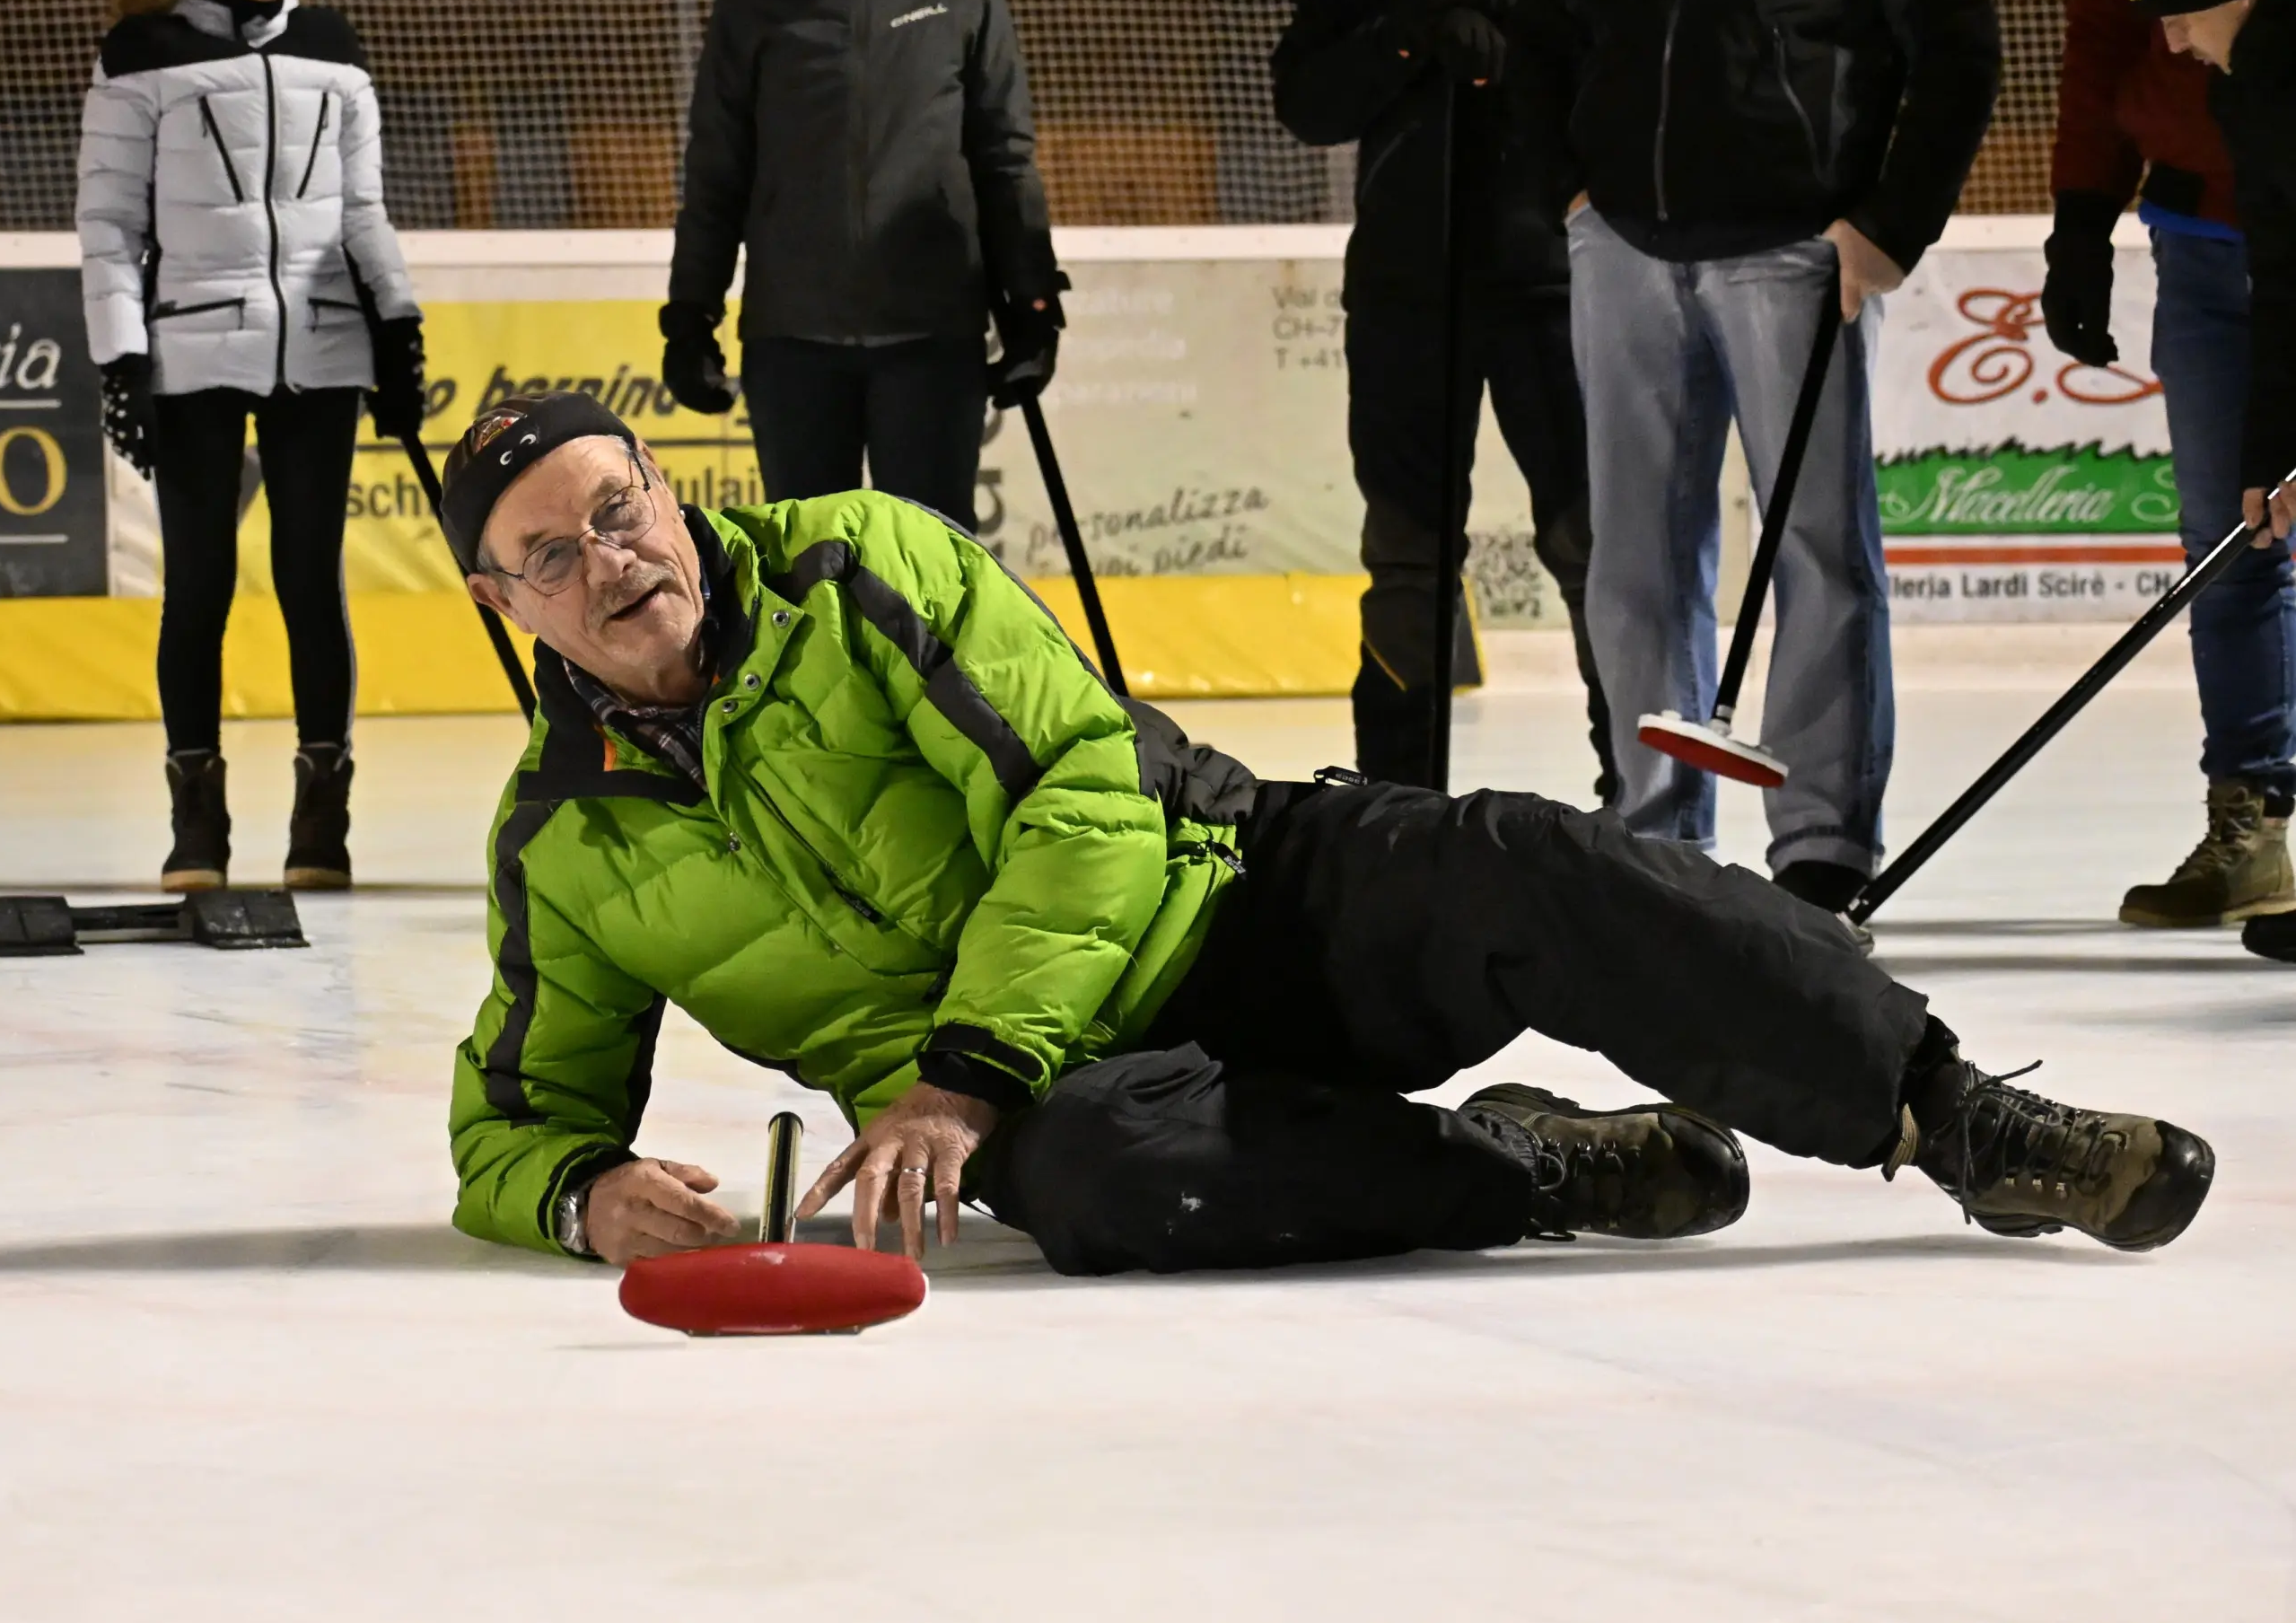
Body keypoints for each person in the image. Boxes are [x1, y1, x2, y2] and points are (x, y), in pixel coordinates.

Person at [433, 391, 2214, 1274]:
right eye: (554, 553)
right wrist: (583, 1199)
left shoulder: (858, 563)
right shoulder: (560, 847)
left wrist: (960, 1066)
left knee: (1517, 858)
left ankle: (1962, 1116)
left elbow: (1087, 787)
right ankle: (1529, 1170)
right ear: (507, 605)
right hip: (1059, 1092)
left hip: (1215, 881)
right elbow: (515, 1114)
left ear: (669, 489)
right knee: (1121, 1190)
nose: (612, 562)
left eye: (619, 506)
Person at [1520, 0, 2002, 916]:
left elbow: (1960, 43)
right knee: (1634, 558)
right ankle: (1655, 834)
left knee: (1818, 548)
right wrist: (1568, 192)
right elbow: (1542, 25)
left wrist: (1891, 225)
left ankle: (1824, 848)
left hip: (1796, 242)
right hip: (1619, 240)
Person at [77, 0, 426, 891]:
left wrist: (397, 323)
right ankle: (197, 817)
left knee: (312, 578)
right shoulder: (141, 51)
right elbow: (109, 224)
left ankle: (323, 817)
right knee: (198, 584)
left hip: (322, 343)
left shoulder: (333, 42)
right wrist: (122, 358)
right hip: (191, 352)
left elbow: (360, 213)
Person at [1273, 0, 1617, 799]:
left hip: (1555, 285)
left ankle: (1643, 803)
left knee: (1594, 548)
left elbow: (1630, 80)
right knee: (1408, 558)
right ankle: (1396, 811)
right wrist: (1408, 29)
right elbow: (1307, 104)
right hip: (1406, 295)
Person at [2046, 0, 2296, 930]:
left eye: (2181, 13)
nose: (2172, 35)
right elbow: (2104, 43)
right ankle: (2252, 820)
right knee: (2233, 537)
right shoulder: (2221, 79)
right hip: (2204, 236)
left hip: (2280, 226)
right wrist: (2080, 217)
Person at [662, 0, 1064, 530]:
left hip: (932, 337)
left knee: (931, 566)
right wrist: (692, 314)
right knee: (807, 564)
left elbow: (1004, 152)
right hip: (793, 340)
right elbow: (717, 164)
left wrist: (1034, 301)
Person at [2126, 0, 2296, 965]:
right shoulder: (2244, 85)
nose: (2173, 38)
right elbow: (2284, 272)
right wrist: (2268, 452)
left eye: (2181, 11)